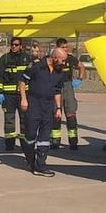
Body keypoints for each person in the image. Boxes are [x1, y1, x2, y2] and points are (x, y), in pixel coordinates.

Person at [18, 44, 68, 176]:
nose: (63, 63)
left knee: (45, 138)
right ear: (54, 57)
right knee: (30, 137)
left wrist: (58, 108)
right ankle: (30, 160)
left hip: (48, 107)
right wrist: (24, 99)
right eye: (61, 60)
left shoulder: (59, 73)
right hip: (33, 104)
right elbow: (22, 81)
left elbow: (57, 91)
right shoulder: (36, 66)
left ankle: (41, 166)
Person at [0, 37, 30, 150]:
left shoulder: (26, 58)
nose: (14, 46)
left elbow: (32, 76)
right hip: (8, 95)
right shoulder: (4, 59)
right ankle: (9, 145)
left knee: (25, 120)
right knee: (9, 120)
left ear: (20, 46)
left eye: (16, 44)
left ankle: (25, 145)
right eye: (12, 44)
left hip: (23, 95)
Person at [49, 38, 85, 150]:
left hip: (68, 86)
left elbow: (82, 66)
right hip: (56, 87)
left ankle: (73, 141)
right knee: (56, 114)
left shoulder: (70, 58)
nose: (66, 49)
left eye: (66, 47)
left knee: (71, 114)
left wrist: (79, 79)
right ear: (57, 48)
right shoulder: (53, 59)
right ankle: (55, 141)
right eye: (63, 47)